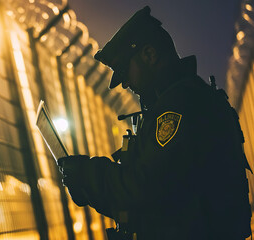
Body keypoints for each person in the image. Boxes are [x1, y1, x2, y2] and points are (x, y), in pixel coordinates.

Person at [58, 6, 252, 240]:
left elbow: (142, 189)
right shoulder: (188, 98)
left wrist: (87, 174)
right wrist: (89, 187)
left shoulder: (179, 107)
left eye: (125, 71)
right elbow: (155, 196)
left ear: (149, 55)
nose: (126, 84)